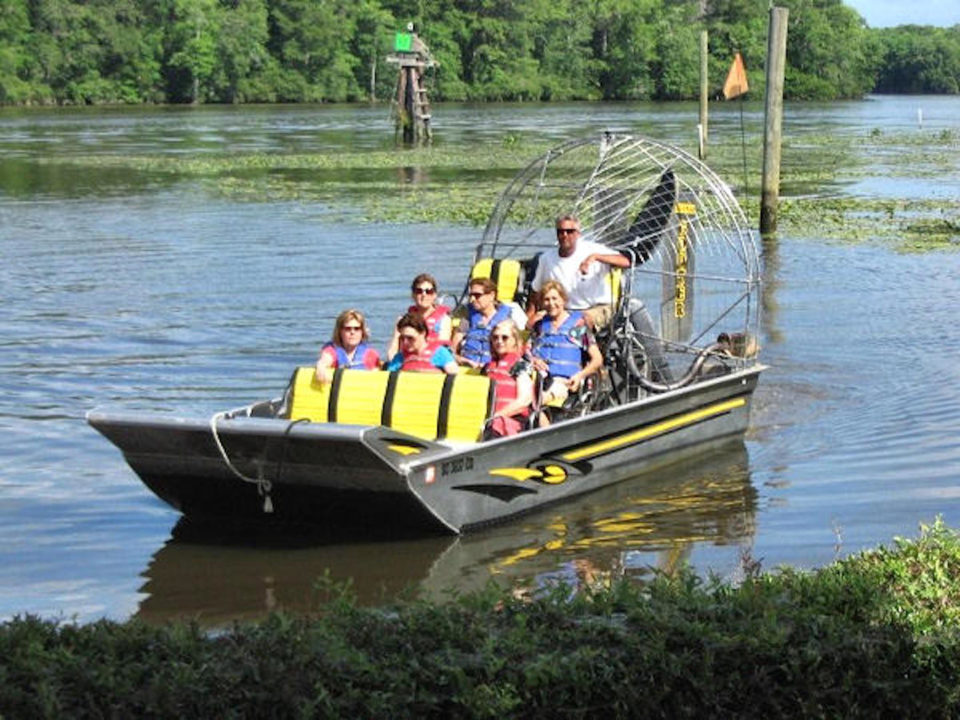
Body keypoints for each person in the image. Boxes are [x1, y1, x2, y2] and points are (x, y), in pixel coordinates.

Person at [527, 213, 631, 329]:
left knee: (578, 324)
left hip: (596, 307)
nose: (564, 235)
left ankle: (588, 345)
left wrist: (595, 257)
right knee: (535, 323)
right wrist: (531, 316)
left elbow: (626, 261)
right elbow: (535, 291)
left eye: (569, 231)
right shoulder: (546, 259)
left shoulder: (592, 249)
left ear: (578, 234)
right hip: (561, 309)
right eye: (560, 232)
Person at [528, 281, 603, 422]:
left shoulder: (576, 327)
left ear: (563, 300)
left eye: (554, 299)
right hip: (537, 377)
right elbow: (527, 351)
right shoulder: (540, 326)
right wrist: (534, 360)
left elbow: (597, 359)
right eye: (547, 299)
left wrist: (580, 376)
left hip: (563, 381)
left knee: (534, 401)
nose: (551, 303)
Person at [451, 277, 527, 368]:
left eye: (477, 295)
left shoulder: (509, 316)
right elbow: (454, 347)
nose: (472, 299)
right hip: (468, 366)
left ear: (491, 295)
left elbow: (518, 348)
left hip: (494, 367)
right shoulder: (467, 316)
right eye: (470, 295)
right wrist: (461, 360)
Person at [483, 320, 534, 438]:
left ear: (514, 341)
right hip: (487, 418)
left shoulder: (520, 365)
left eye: (504, 338)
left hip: (510, 420)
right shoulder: (487, 368)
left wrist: (496, 416)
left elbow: (523, 401)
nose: (499, 341)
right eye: (495, 338)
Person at [387, 273, 453, 358]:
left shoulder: (444, 320)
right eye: (419, 291)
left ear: (434, 295)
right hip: (405, 362)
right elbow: (393, 350)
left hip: (433, 363)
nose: (424, 295)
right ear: (413, 295)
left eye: (429, 291)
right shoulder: (402, 320)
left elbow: (443, 350)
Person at [315, 309, 382, 383]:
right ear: (340, 331)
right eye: (347, 329)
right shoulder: (332, 351)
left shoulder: (371, 354)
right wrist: (321, 367)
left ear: (362, 332)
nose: (352, 332)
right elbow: (324, 360)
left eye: (357, 329)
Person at [385, 313, 459, 374]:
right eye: (402, 338)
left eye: (410, 338)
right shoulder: (399, 358)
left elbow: (454, 377)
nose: (405, 342)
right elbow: (389, 378)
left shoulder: (440, 353)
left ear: (423, 333)